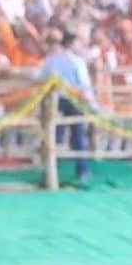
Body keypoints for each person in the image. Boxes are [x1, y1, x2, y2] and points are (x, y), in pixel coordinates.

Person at [40, 30, 95, 182]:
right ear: (71, 44)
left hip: (55, 100)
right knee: (78, 135)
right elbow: (84, 85)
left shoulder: (51, 60)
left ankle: (51, 168)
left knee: (55, 135)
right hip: (73, 100)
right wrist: (92, 104)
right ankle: (82, 170)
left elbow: (41, 77)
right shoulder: (77, 61)